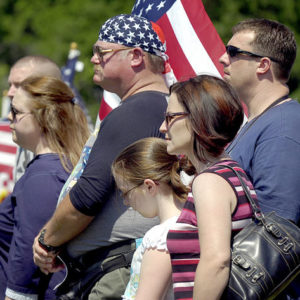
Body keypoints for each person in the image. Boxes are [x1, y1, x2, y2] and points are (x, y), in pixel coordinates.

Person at [32, 14, 169, 299]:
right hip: (112, 267)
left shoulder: (140, 108)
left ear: (135, 56)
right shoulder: (153, 106)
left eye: (102, 52)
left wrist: (48, 240)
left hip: (115, 271)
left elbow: (89, 194)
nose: (94, 59)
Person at [219, 18, 300, 298]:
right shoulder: (261, 123)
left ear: (263, 65)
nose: (222, 58)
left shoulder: (283, 128)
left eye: (232, 52)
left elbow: (277, 230)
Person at [159, 74, 258, 299]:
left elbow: (216, 261)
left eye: (170, 117)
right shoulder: (229, 171)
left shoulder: (210, 181)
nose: (163, 127)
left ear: (197, 119)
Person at [0, 76, 89, 300]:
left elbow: (29, 261)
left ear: (43, 118)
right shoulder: (59, 167)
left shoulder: (43, 177)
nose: (9, 117)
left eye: (16, 111)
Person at [112, 137, 191, 300]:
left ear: (149, 186)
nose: (126, 202)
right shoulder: (189, 221)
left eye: (126, 192)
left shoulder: (160, 239)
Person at [7, 56, 63, 182]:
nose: (10, 92)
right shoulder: (28, 128)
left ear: (46, 86)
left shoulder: (62, 138)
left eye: (19, 85)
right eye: (10, 84)